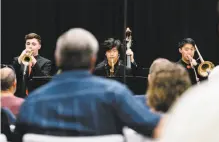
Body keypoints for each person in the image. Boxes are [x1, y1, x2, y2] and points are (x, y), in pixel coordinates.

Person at [14, 28, 161, 142]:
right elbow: (155, 127)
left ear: (58, 59)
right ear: (93, 60)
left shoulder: (32, 101)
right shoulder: (115, 93)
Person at [12, 33, 52, 98]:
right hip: (18, 95)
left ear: (39, 46)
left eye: (33, 44)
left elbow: (44, 81)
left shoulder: (46, 62)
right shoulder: (17, 60)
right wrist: (19, 59)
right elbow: (11, 77)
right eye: (28, 44)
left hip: (36, 95)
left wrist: (35, 63)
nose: (30, 46)